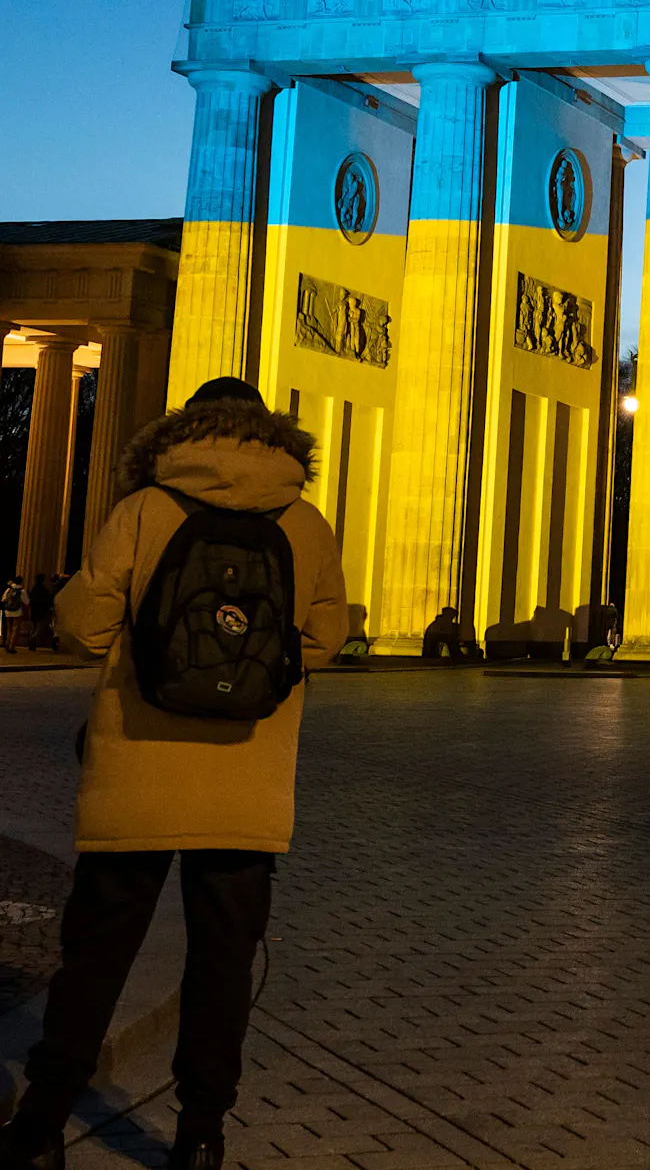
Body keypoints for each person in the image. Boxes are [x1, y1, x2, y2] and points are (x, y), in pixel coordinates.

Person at [0, 378, 347, 1170]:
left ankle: (41, 1128)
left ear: (185, 430)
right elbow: (324, 639)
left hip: (137, 769)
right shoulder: (304, 522)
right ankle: (200, 1135)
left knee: (95, 957)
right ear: (271, 434)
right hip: (247, 781)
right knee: (223, 963)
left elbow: (84, 626)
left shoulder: (145, 508)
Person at [26, 574, 55, 651]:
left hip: (34, 611)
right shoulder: (44, 590)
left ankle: (31, 643)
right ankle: (33, 639)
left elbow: (30, 600)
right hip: (41, 611)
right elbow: (48, 601)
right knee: (39, 628)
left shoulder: (33, 589)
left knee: (33, 627)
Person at [0, 575, 24, 652]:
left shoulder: (9, 589)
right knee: (15, 629)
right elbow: (26, 601)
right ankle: (12, 647)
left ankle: (7, 643)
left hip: (8, 611)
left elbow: (3, 599)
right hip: (17, 611)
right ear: (21, 582)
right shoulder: (22, 590)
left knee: (9, 628)